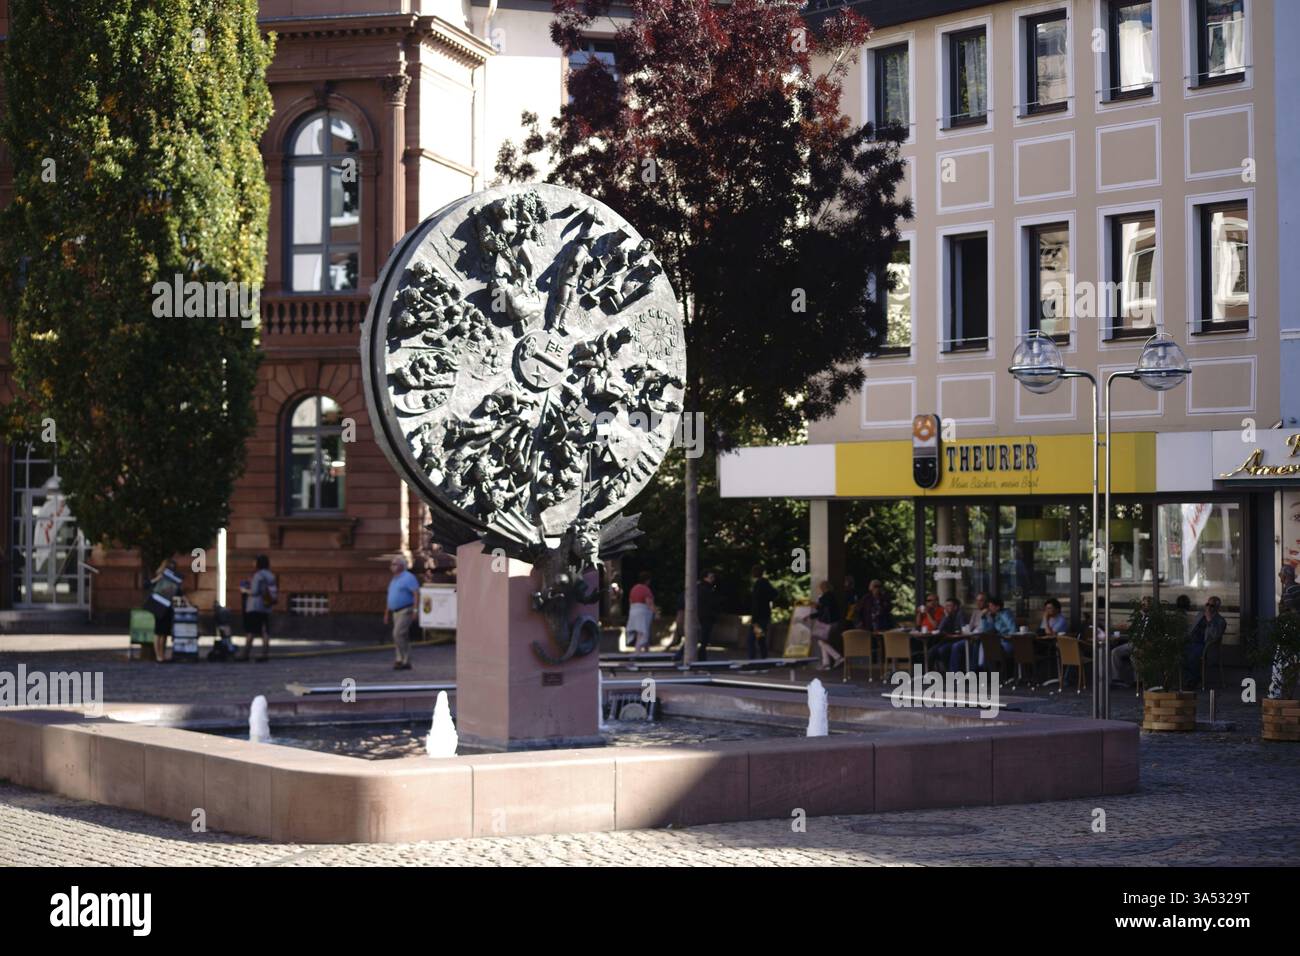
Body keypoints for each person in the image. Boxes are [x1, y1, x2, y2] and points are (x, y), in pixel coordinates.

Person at [384, 556, 420, 671]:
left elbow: (416, 594)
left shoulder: (408, 577)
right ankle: (400, 659)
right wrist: (386, 613)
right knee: (401, 636)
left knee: (397, 634)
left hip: (406, 610)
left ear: (402, 565)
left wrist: (415, 610)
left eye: (395, 564)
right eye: (392, 564)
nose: (392, 566)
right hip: (395, 611)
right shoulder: (394, 579)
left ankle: (405, 659)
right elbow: (390, 596)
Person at [239, 555, 277, 662]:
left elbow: (254, 591)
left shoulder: (258, 575)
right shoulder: (271, 575)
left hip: (255, 606)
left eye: (255, 562)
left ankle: (245, 654)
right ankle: (265, 653)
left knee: (251, 630)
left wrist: (245, 590)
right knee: (265, 630)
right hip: (266, 606)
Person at [1184, 596, 1226, 689]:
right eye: (1207, 604)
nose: (1209, 607)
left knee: (1192, 654)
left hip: (1205, 644)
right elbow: (1191, 629)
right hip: (1192, 641)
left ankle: (1192, 680)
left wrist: (1209, 620)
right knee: (1181, 652)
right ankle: (1186, 679)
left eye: (1212, 606)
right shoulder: (1200, 615)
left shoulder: (1220, 621)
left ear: (1217, 608)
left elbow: (1215, 636)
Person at [147, 558, 183, 664]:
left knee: (165, 633)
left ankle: (162, 654)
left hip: (168, 608)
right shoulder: (160, 577)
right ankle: (159, 656)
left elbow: (178, 592)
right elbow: (147, 585)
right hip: (159, 606)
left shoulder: (172, 579)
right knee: (159, 632)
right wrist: (157, 579)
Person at [812, 580, 845, 671]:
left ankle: (837, 657)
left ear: (823, 588)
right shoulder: (832, 596)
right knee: (823, 642)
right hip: (833, 622)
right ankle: (826, 664)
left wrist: (816, 607)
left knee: (821, 641)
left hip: (827, 623)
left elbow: (823, 610)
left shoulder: (825, 597)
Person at [929, 597, 967, 671]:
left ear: (955, 607)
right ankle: (930, 673)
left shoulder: (960, 614)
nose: (946, 608)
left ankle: (950, 672)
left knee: (942, 650)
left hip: (957, 640)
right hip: (947, 640)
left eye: (949, 605)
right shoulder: (946, 615)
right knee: (931, 651)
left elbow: (963, 630)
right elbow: (940, 629)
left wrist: (952, 634)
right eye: (946, 606)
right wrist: (946, 617)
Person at [749, 565, 778, 660]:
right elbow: (774, 593)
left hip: (758, 618)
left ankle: (753, 661)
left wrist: (754, 619)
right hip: (763, 616)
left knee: (752, 639)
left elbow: (757, 602)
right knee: (760, 639)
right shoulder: (764, 583)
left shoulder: (759, 584)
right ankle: (764, 659)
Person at [627, 570, 655, 653]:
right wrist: (655, 611)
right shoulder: (645, 589)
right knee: (641, 632)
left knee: (641, 631)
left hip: (633, 610)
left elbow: (630, 601)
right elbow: (649, 602)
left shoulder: (634, 588)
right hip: (642, 612)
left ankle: (646, 650)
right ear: (647, 580)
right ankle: (637, 650)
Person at [696, 570, 718, 662]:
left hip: (705, 616)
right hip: (705, 617)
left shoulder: (704, 588)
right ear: (705, 578)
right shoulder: (705, 588)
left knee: (702, 639)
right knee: (703, 638)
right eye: (711, 577)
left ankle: (701, 658)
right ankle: (701, 659)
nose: (713, 579)